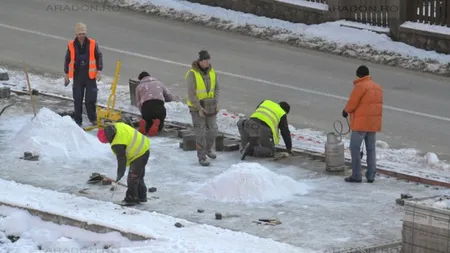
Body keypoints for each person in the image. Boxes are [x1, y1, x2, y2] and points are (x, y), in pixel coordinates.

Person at [342, 65, 383, 183]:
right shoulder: (378, 87)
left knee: (354, 148)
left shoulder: (360, 86)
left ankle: (356, 175)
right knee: (371, 149)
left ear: (359, 75)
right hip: (373, 123)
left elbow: (353, 103)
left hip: (361, 124)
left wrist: (345, 111)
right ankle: (371, 175)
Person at [97, 121, 151, 205]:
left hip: (139, 154)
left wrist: (120, 174)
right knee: (138, 176)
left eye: (107, 142)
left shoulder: (117, 144)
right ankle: (141, 196)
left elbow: (122, 160)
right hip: (144, 146)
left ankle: (131, 199)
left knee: (132, 178)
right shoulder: (117, 126)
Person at [64, 22, 103, 127]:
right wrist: (66, 73)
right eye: (79, 34)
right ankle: (78, 120)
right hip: (78, 76)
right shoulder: (71, 45)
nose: (81, 36)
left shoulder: (92, 43)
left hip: (90, 76)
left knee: (90, 99)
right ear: (76, 34)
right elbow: (67, 59)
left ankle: (93, 119)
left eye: (83, 33)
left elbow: (99, 56)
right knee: (77, 98)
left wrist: (99, 70)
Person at [185, 50, 220, 166]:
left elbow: (217, 89)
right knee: (200, 132)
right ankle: (202, 156)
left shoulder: (212, 72)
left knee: (213, 130)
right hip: (197, 108)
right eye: (205, 60)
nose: (207, 63)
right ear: (200, 61)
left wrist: (216, 103)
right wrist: (199, 108)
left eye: (208, 60)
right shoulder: (192, 74)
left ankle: (208, 149)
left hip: (210, 106)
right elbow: (191, 93)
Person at [135, 71, 175, 136]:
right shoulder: (159, 83)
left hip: (146, 106)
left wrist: (142, 113)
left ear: (141, 79)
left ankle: (145, 127)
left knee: (148, 121)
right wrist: (165, 99)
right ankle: (158, 125)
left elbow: (138, 102)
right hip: (159, 105)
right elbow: (169, 97)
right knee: (160, 119)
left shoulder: (139, 87)